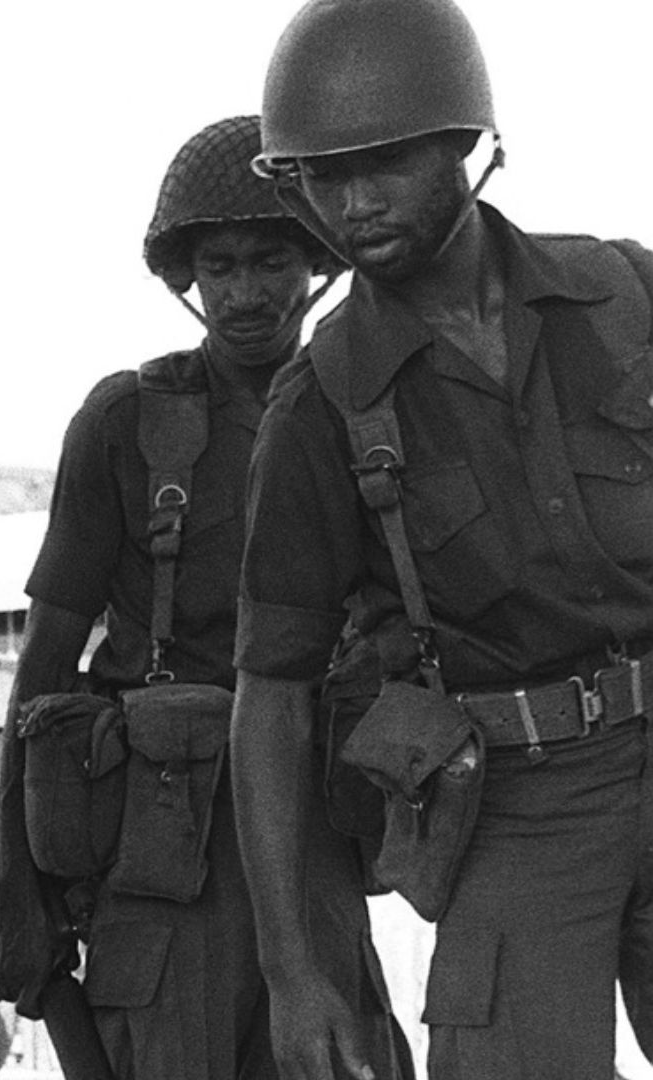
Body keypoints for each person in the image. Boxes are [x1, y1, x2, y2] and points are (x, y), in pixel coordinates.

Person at [233, 1, 653, 1078]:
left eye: (386, 163)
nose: (355, 202)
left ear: (467, 146)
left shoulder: (624, 295)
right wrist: (294, 973)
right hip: (525, 803)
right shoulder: (321, 407)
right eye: (323, 178)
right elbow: (271, 695)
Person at [0, 114, 404, 1080]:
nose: (246, 293)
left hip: (310, 829)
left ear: (317, 262)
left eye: (271, 260)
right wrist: (15, 877)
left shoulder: (367, 411)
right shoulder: (127, 423)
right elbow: (44, 667)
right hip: (160, 847)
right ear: (186, 278)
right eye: (218, 266)